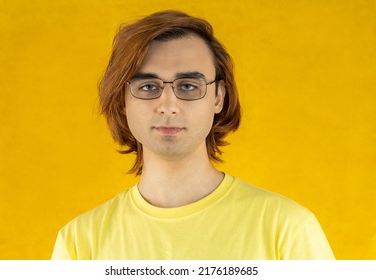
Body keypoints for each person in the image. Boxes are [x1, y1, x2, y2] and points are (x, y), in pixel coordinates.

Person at [51, 10, 335, 260]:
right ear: (122, 100)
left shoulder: (286, 227)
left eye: (188, 86)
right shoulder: (79, 242)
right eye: (148, 86)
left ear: (218, 97)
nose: (168, 106)